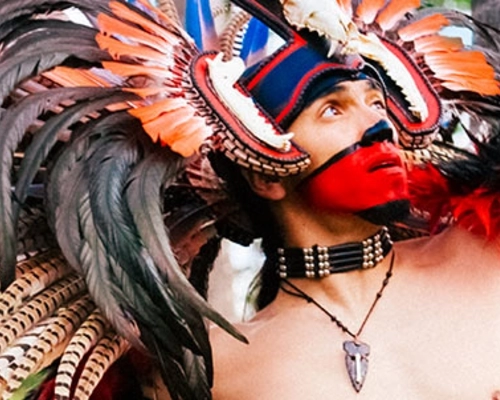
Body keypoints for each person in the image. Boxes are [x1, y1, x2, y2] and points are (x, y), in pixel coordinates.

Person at [0, 0, 499, 399]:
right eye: (332, 110)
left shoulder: (486, 260)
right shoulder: (212, 372)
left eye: (375, 102)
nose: (377, 125)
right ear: (266, 177)